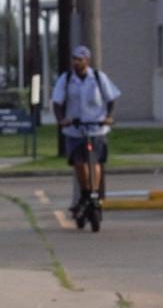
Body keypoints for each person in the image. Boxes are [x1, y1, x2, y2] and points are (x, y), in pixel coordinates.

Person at [51, 45, 121, 212]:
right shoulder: (66, 79)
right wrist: (62, 120)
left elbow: (111, 98)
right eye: (74, 59)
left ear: (87, 61)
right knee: (79, 163)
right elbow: (57, 102)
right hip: (75, 128)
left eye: (79, 60)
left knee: (95, 161)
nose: (76, 62)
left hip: (96, 127)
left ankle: (95, 194)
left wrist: (108, 117)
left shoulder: (98, 77)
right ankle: (85, 193)